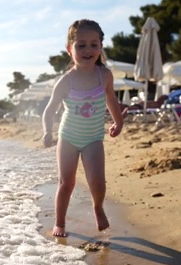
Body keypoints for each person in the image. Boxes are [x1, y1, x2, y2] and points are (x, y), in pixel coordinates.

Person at [41, 19, 124, 238]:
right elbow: (50, 110)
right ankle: (59, 222)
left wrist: (119, 122)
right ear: (70, 50)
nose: (88, 50)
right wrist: (47, 131)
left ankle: (98, 207)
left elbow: (111, 100)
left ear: (100, 47)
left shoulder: (104, 75)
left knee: (97, 180)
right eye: (81, 45)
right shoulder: (66, 81)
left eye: (93, 44)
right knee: (66, 183)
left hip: (93, 138)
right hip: (68, 138)